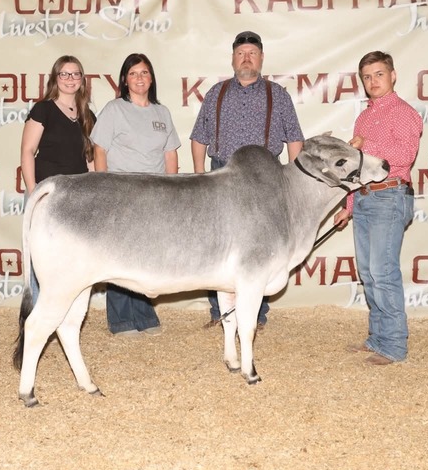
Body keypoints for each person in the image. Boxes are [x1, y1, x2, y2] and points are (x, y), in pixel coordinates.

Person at [190, 31, 304, 329]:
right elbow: (200, 136)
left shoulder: (277, 94)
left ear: (261, 58)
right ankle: (220, 312)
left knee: (261, 245)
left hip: (264, 177)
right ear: (232, 58)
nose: (246, 58)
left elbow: (294, 138)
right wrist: (200, 175)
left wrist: (294, 182)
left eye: (252, 53)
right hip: (220, 172)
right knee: (216, 243)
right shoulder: (216, 93)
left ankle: (256, 313)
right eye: (241, 53)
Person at [333, 50, 422, 365]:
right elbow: (358, 168)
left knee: (383, 272)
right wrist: (349, 203)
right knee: (369, 273)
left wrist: (365, 145)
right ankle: (378, 337)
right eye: (367, 77)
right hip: (367, 197)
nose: (373, 81)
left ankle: (395, 346)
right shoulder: (364, 116)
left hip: (390, 195)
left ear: (393, 75)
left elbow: (405, 155)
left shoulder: (405, 113)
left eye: (379, 74)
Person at [91, 53, 180, 336]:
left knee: (147, 257)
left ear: (151, 78)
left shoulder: (161, 112)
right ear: (124, 80)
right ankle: (121, 320)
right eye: (133, 73)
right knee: (119, 257)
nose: (139, 78)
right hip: (121, 193)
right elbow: (100, 150)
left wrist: (173, 190)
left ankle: (144, 315)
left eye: (144, 72)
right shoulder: (115, 109)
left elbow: (170, 153)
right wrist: (105, 187)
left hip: (155, 194)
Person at [20, 55, 96, 301]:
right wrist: (33, 191)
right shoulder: (44, 109)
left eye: (75, 74)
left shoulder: (88, 115)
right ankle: (35, 310)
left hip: (78, 197)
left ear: (82, 80)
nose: (70, 79)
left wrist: (97, 190)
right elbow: (27, 151)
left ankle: (63, 308)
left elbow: (90, 158)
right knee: (41, 257)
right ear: (55, 78)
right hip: (47, 193)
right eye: (64, 74)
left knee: (72, 256)